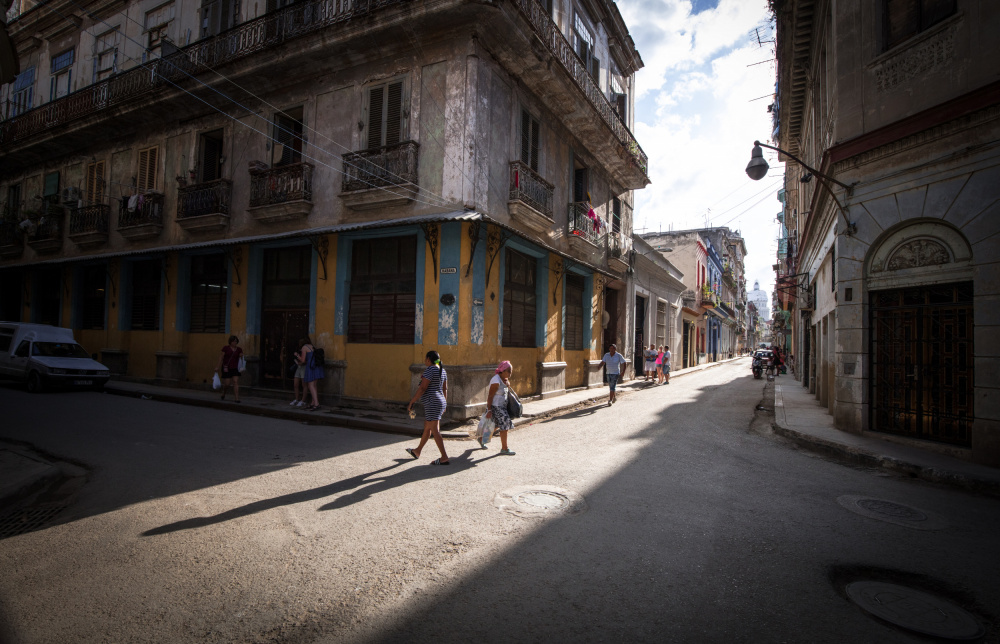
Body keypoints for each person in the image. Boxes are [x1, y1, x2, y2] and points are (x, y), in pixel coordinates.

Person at [405, 351, 450, 465]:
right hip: (438, 402)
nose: (425, 361)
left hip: (432, 402)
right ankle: (417, 451)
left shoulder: (430, 369)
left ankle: (444, 457)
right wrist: (444, 403)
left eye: (425, 359)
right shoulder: (442, 370)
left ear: (429, 359)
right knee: (428, 428)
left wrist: (412, 401)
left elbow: (423, 388)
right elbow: (445, 389)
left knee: (434, 430)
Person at [484, 361, 516, 455]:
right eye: (508, 371)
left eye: (511, 371)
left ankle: (482, 438)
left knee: (496, 426)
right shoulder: (496, 381)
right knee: (505, 425)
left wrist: (507, 384)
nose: (510, 373)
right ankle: (504, 448)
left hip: (502, 406)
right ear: (502, 371)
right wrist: (489, 410)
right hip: (496, 407)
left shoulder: (503, 379)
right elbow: (490, 396)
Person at [215, 335, 243, 403]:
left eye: (236, 341)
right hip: (226, 367)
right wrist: (217, 366)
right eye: (233, 341)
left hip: (235, 368)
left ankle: (237, 398)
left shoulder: (239, 349)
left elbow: (242, 357)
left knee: (235, 382)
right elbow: (221, 357)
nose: (235, 342)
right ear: (230, 342)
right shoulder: (225, 348)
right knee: (227, 383)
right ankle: (224, 393)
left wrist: (241, 356)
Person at [300, 337, 324, 410]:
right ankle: (313, 403)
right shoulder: (312, 346)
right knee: (314, 385)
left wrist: (298, 356)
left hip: (310, 367)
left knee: (310, 385)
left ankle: (316, 404)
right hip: (316, 367)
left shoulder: (304, 348)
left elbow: (303, 360)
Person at [289, 338, 308, 407]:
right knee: (295, 384)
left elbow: (304, 361)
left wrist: (297, 356)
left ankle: (303, 400)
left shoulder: (305, 349)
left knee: (304, 385)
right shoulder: (300, 349)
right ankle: (297, 399)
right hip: (298, 367)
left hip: (303, 367)